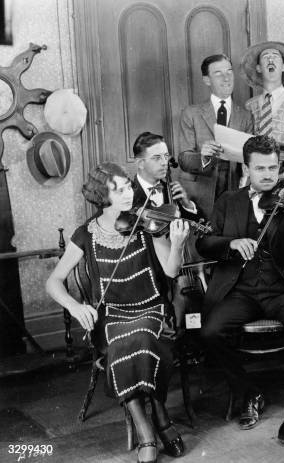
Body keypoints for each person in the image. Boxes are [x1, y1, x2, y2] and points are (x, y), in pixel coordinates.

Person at [46, 162, 190, 463]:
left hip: (151, 309)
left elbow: (172, 270)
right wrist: (75, 306)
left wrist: (176, 244)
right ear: (102, 196)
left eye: (128, 186)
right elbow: (54, 281)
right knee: (127, 342)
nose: (129, 193)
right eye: (119, 189)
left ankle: (156, 425)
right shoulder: (86, 234)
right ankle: (151, 427)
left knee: (140, 339)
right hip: (112, 317)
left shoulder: (147, 223)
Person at [198, 135, 284, 454]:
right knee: (211, 332)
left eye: (273, 167)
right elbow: (204, 242)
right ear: (246, 168)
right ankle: (249, 392)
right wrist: (230, 244)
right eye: (261, 168)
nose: (268, 175)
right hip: (240, 289)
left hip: (281, 286)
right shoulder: (229, 200)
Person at [178, 54, 253, 218]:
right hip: (199, 196)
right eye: (218, 73)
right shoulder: (191, 113)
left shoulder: (246, 116)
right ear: (206, 80)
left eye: (229, 72)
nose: (226, 78)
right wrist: (203, 157)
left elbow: (249, 157)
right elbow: (183, 159)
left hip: (234, 192)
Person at [132, 131, 200, 220]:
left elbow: (197, 225)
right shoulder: (125, 193)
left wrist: (187, 205)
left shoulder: (172, 191)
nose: (165, 163)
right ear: (140, 163)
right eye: (157, 158)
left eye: (166, 156)